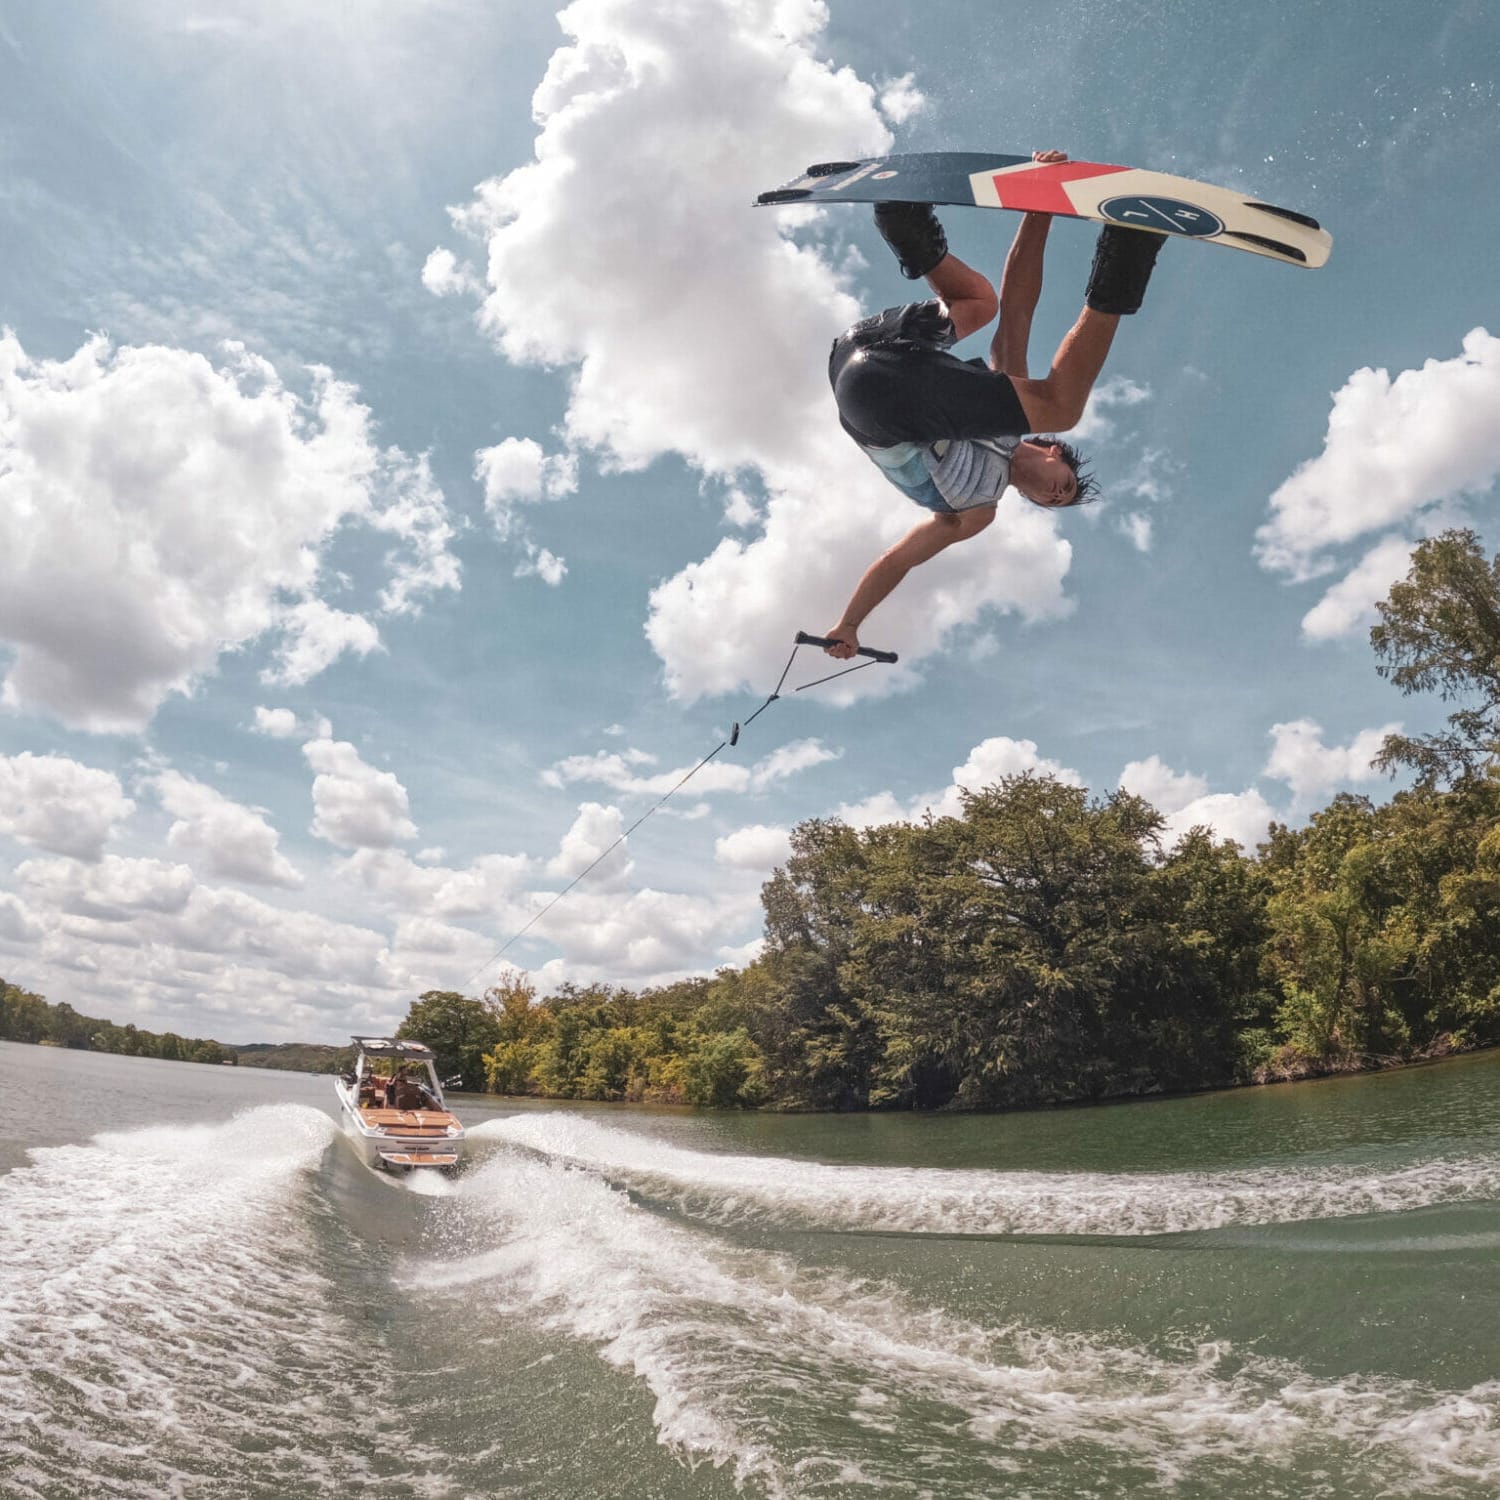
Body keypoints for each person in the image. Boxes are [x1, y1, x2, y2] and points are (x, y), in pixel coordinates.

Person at [822, 150, 1164, 658]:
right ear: (1051, 452)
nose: (1053, 497)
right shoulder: (1008, 408)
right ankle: (902, 218)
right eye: (1064, 487)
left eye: (1054, 503)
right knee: (984, 304)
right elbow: (1020, 306)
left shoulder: (978, 511)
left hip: (868, 400)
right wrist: (1041, 204)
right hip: (866, 352)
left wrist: (849, 624)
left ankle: (1129, 245)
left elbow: (900, 560)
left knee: (998, 331)